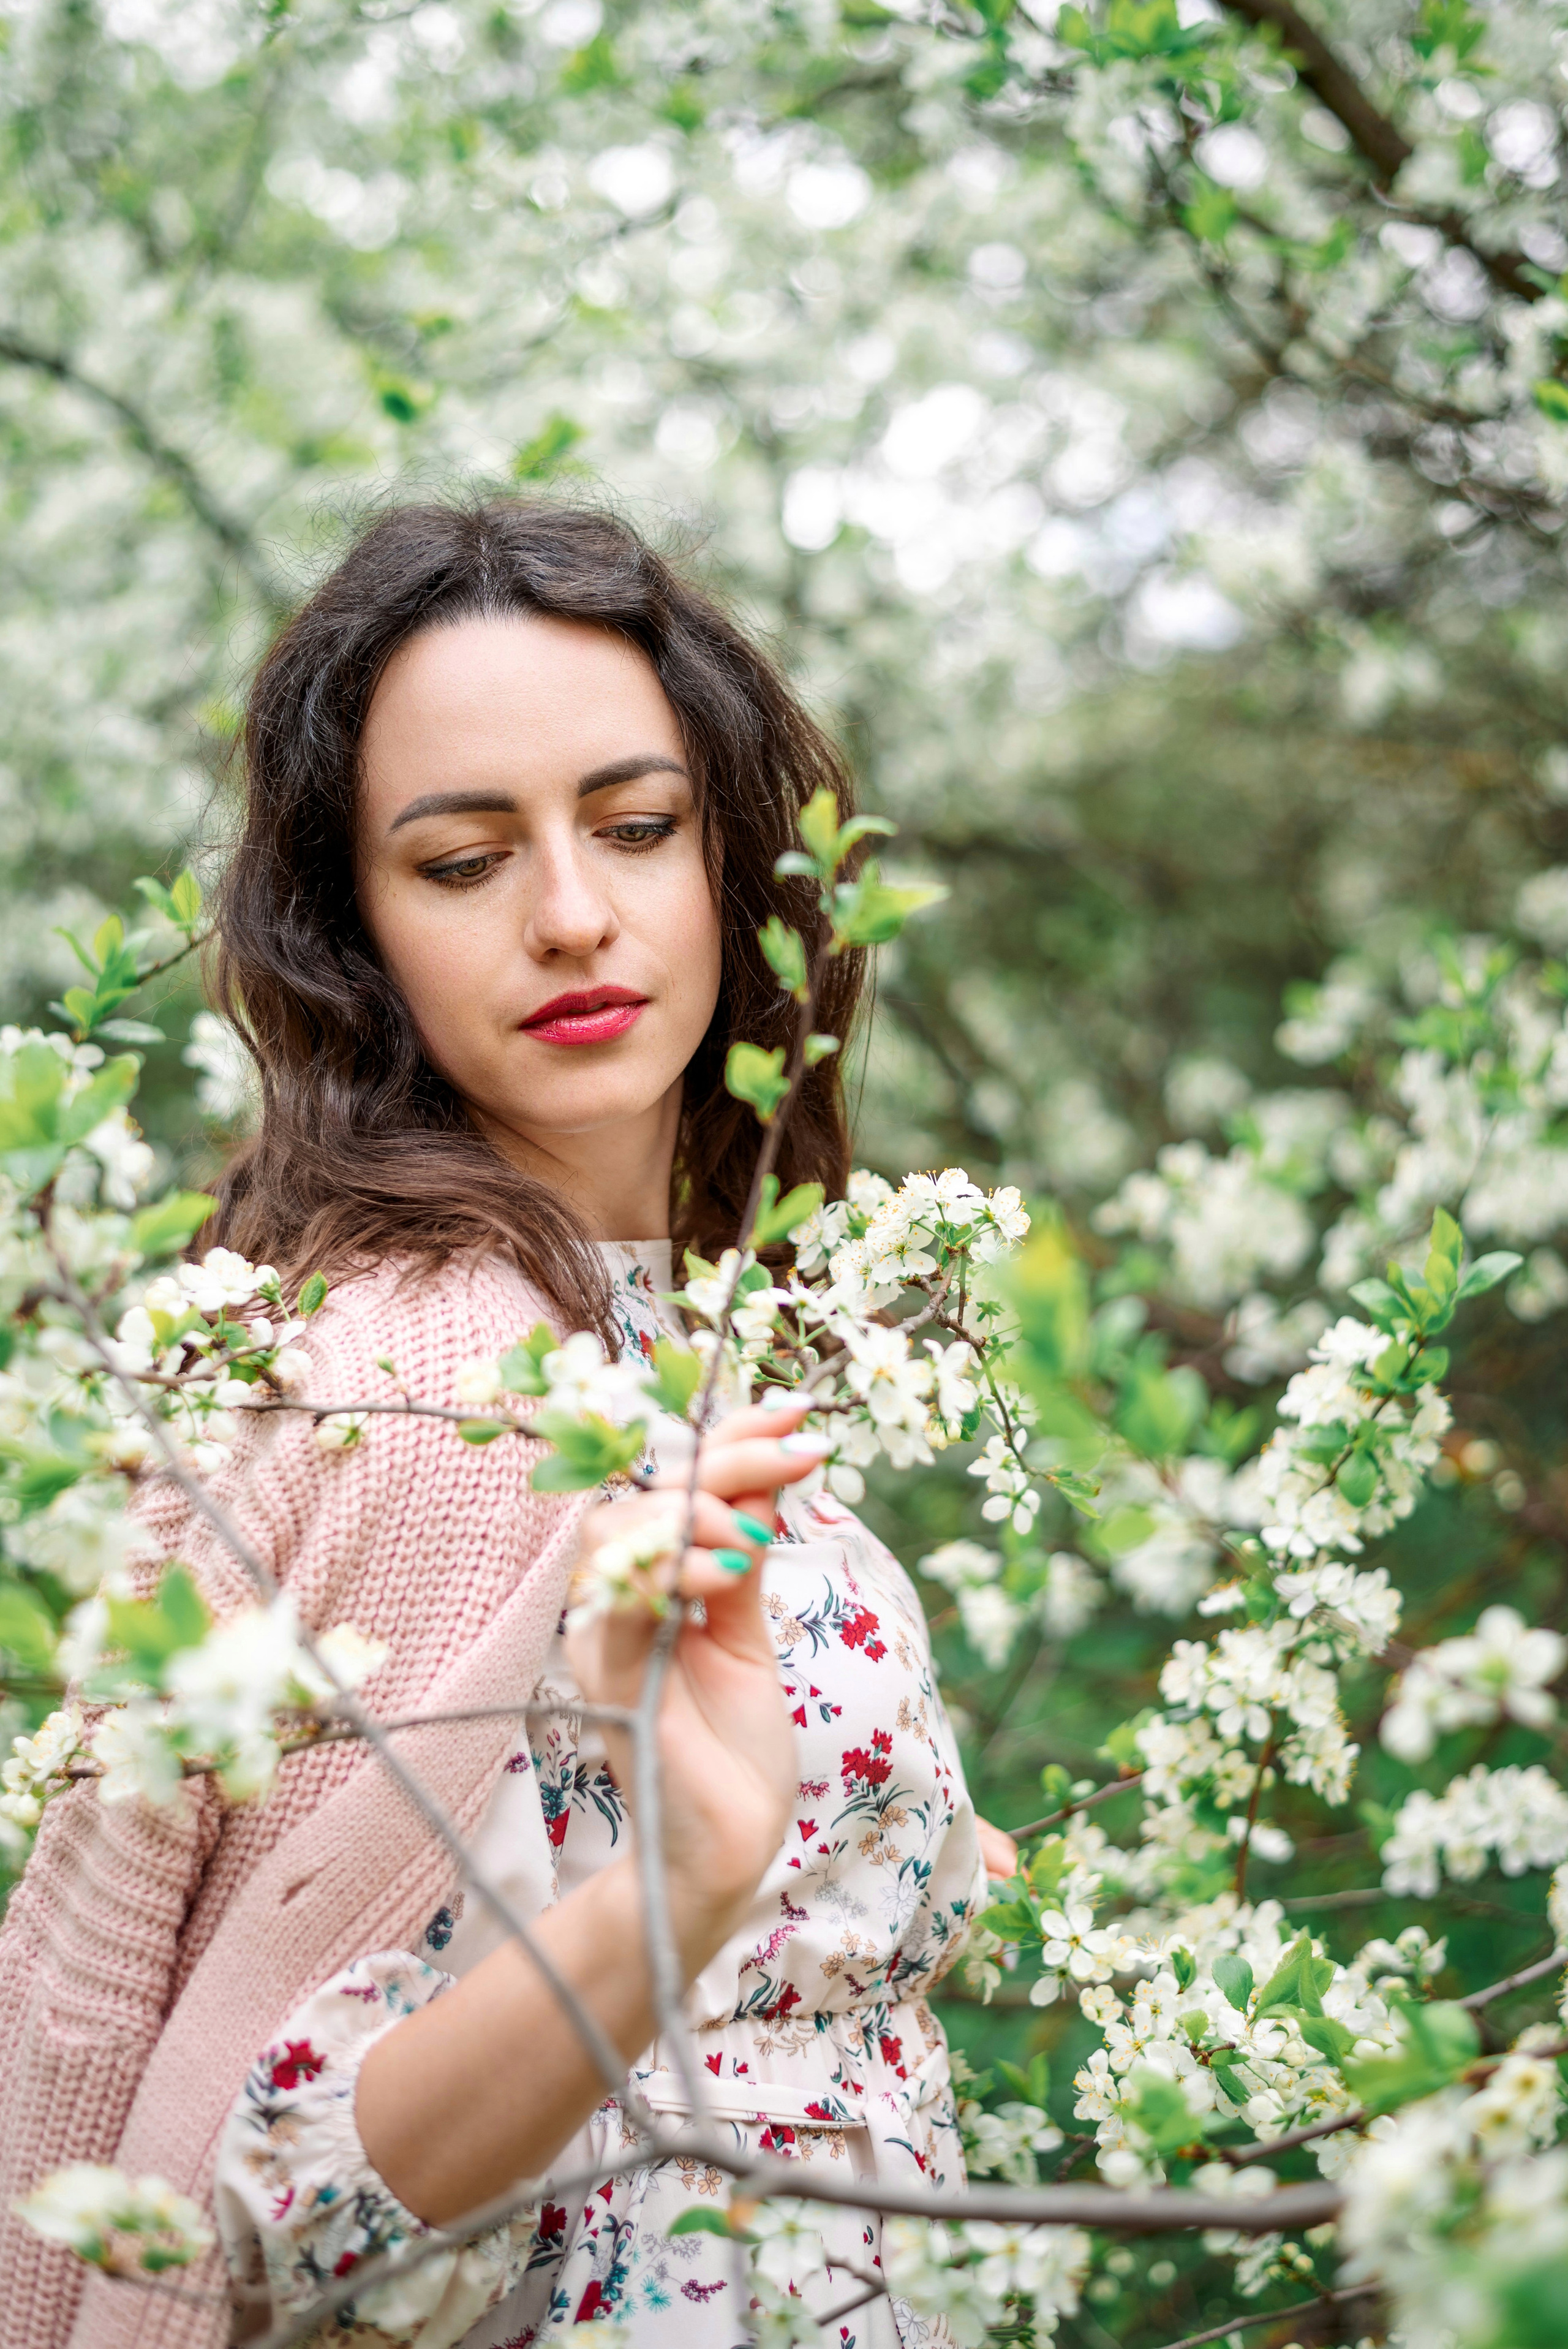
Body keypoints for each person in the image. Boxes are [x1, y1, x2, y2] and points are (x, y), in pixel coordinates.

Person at [0, 501, 1015, 2349]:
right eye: (462, 861)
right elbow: (281, 2210)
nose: (571, 916)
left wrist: (875, 1849)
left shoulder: (683, 1323)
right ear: (357, 934)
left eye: (636, 828)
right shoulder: (401, 1391)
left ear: (737, 861)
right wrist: (676, 1887)